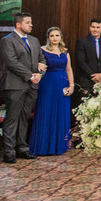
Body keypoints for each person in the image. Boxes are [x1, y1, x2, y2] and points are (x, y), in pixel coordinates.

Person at [0, 12, 43, 163]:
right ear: (18, 24)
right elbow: (11, 62)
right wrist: (30, 75)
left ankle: (22, 148)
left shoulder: (34, 40)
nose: (31, 25)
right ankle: (9, 151)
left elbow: (42, 59)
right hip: (14, 85)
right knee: (12, 117)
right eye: (28, 22)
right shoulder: (7, 41)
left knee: (24, 117)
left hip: (32, 85)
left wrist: (40, 74)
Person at [28, 27, 74, 157]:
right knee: (46, 111)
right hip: (47, 84)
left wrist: (71, 85)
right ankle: (43, 145)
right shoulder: (42, 50)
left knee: (61, 113)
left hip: (63, 85)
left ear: (61, 37)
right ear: (48, 37)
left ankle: (60, 145)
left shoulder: (65, 51)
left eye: (57, 35)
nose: (55, 38)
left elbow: (69, 69)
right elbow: (37, 66)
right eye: (52, 36)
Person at [74, 18, 101, 96]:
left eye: (98, 27)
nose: (95, 29)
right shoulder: (82, 42)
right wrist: (94, 76)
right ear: (90, 28)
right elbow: (81, 62)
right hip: (87, 82)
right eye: (93, 27)